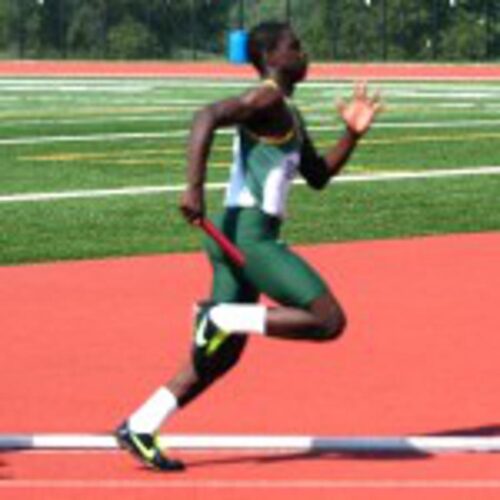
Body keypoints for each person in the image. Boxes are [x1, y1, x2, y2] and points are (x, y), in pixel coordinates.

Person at [116, 21, 382, 471]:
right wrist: (194, 188)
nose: (304, 53)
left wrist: (351, 136)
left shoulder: (287, 111)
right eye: (294, 47)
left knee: (222, 353)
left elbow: (317, 176)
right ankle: (217, 316)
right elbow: (206, 116)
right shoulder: (268, 97)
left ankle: (141, 424)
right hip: (250, 238)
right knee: (328, 319)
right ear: (271, 58)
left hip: (235, 234)